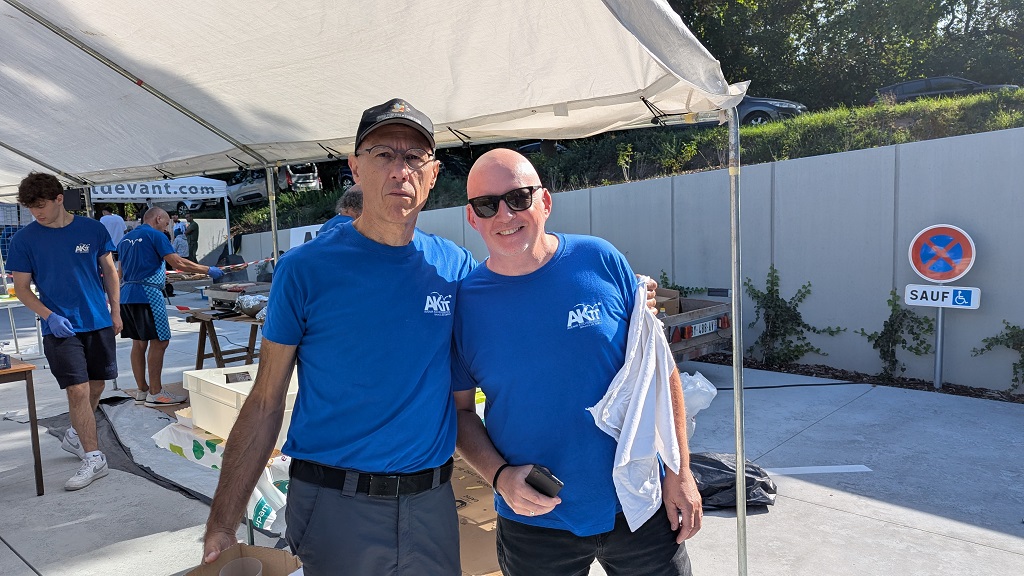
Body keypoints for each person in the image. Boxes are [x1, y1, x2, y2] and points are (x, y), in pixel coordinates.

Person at [202, 98, 477, 575]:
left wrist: (627, 296)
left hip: (430, 504)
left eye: (414, 158)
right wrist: (223, 523)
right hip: (335, 505)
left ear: (432, 175)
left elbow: (521, 311)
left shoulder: (455, 267)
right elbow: (266, 401)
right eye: (383, 154)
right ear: (354, 167)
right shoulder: (305, 271)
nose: (399, 171)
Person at [451, 149, 702, 575]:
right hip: (534, 519)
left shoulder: (601, 260)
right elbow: (459, 413)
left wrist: (680, 472)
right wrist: (499, 478)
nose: (504, 214)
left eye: (518, 197)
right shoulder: (465, 307)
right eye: (487, 204)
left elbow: (659, 371)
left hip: (639, 502)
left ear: (545, 202)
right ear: (472, 218)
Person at [6, 172, 122, 491]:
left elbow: (110, 271)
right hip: (59, 326)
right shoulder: (24, 240)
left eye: (41, 205)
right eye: (31, 208)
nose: (37, 213)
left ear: (59, 199)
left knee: (97, 385)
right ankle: (94, 457)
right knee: (78, 390)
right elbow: (21, 288)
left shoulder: (92, 229)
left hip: (97, 321)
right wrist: (49, 316)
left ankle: (75, 435)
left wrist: (116, 310)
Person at [118, 207, 224, 407]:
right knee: (160, 342)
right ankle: (156, 393)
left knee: (139, 343)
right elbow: (177, 262)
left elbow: (120, 271)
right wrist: (208, 269)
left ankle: (143, 390)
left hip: (127, 295)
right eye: (166, 223)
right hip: (148, 294)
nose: (167, 227)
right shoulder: (156, 235)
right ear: (158, 218)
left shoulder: (126, 239)